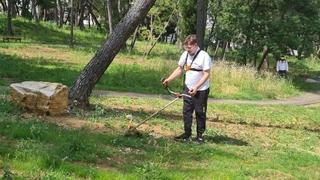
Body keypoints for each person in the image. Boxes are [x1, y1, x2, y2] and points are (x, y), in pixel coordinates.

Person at [162, 34, 212, 143]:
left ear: (195, 45)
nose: (187, 50)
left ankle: (200, 136)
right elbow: (180, 69)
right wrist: (169, 79)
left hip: (201, 90)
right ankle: (187, 134)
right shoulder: (185, 55)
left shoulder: (204, 56)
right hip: (188, 88)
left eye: (189, 47)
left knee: (200, 112)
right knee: (187, 111)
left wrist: (196, 87)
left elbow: (206, 74)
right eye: (186, 47)